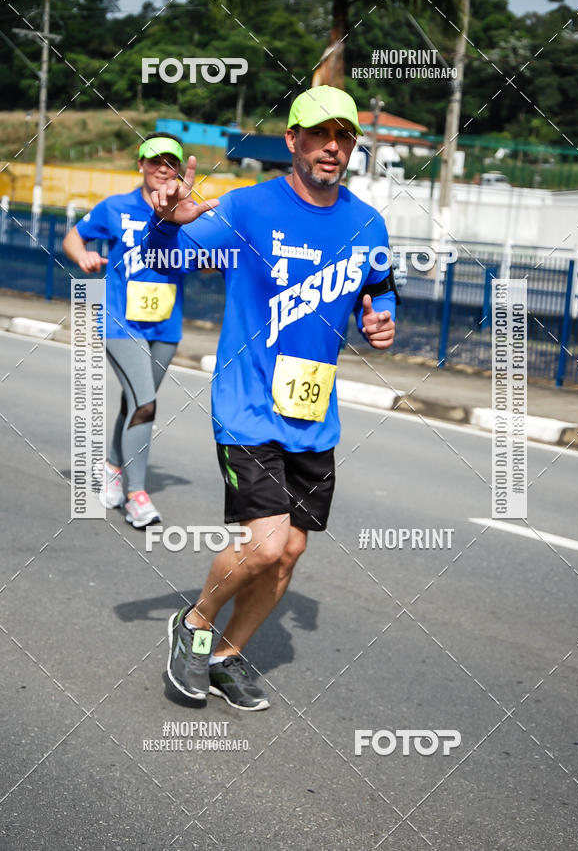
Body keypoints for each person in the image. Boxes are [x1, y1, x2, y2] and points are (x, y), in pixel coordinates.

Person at [141, 86, 397, 710]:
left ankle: (228, 656)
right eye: (318, 134)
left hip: (313, 413)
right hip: (247, 404)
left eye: (344, 136)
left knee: (291, 552)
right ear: (292, 140)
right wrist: (164, 221)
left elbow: (382, 289)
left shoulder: (368, 223)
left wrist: (382, 324)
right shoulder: (249, 210)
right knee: (264, 542)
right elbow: (162, 260)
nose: (331, 147)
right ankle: (195, 625)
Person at [63, 132, 212, 528]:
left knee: (135, 403)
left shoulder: (186, 209)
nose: (162, 168)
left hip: (165, 322)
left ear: (179, 169)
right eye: (153, 160)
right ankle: (136, 494)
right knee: (146, 402)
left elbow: (204, 258)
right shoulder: (116, 207)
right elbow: (73, 238)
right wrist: (85, 257)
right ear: (141, 165)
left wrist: (210, 260)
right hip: (118, 320)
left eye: (170, 162)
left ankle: (110, 466)